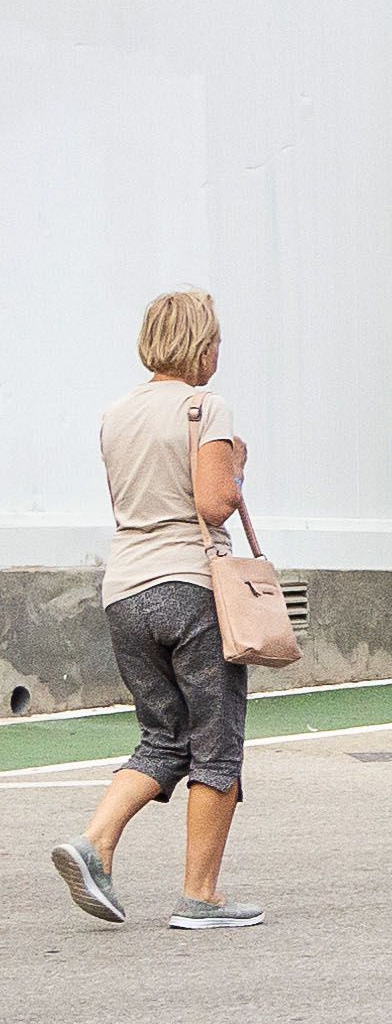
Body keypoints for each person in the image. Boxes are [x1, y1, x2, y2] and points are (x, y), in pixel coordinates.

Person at [63, 289, 259, 929]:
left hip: (125, 589)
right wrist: (236, 465)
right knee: (215, 743)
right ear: (202, 346)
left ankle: (95, 842)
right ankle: (200, 897)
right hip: (191, 585)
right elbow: (213, 504)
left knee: (162, 737)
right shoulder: (207, 405)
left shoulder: (115, 413)